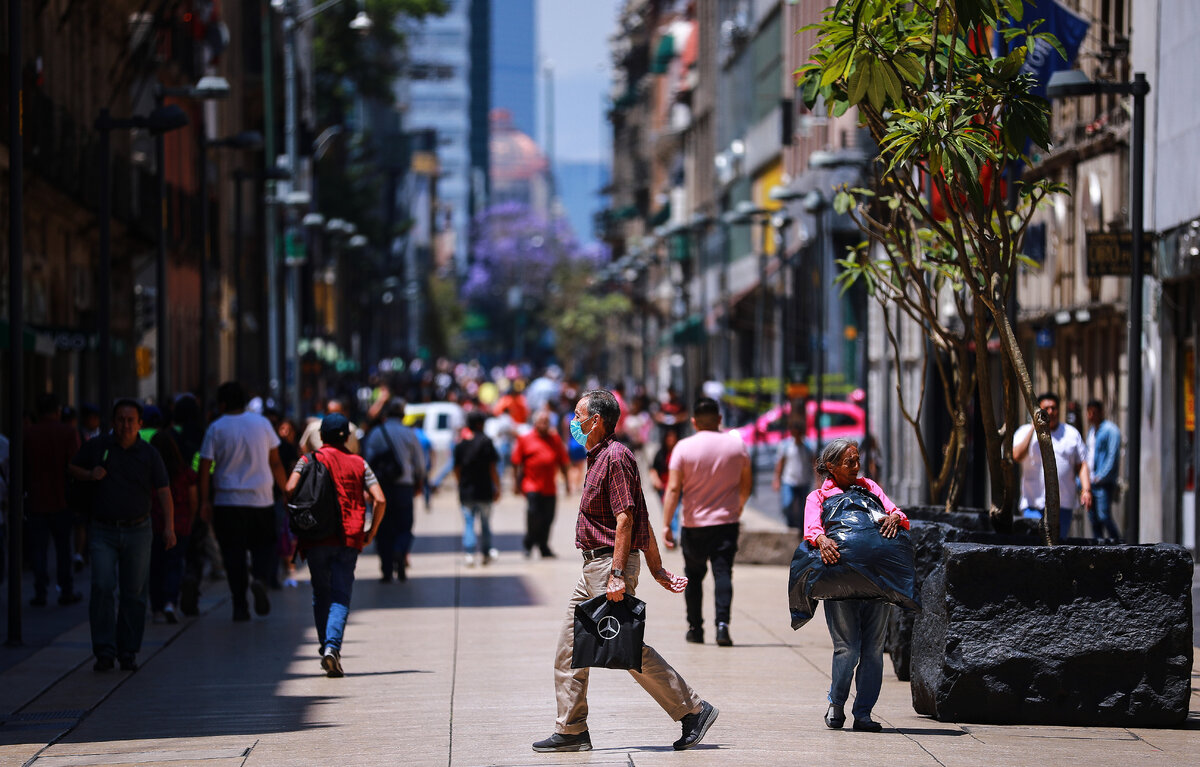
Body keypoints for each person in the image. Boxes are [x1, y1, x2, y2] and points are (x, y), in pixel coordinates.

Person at [532, 389, 718, 753]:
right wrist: (658, 569)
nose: (574, 423)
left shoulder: (615, 457)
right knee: (570, 649)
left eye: (578, 416)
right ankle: (571, 729)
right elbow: (642, 516)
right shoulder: (600, 456)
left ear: (596, 421)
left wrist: (619, 572)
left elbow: (627, 519)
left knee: (623, 648)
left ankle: (693, 710)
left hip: (607, 567)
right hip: (595, 566)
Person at [804, 438, 909, 733]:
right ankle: (836, 704)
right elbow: (812, 529)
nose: (856, 466)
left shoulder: (871, 488)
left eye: (857, 460)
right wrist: (822, 540)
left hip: (876, 581)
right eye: (849, 462)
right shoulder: (818, 497)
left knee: (874, 650)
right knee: (847, 649)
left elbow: (896, 511)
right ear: (831, 467)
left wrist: (895, 518)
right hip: (841, 582)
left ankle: (863, 713)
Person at [69, 399, 174, 671]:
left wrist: (169, 527)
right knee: (102, 586)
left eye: (130, 420)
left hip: (139, 530)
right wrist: (91, 473)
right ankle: (104, 650)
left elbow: (163, 490)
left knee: (134, 592)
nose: (125, 425)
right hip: (103, 529)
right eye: (120, 420)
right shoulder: (98, 446)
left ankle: (128, 650)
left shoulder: (149, 454)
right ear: (113, 422)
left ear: (140, 423)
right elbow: (73, 467)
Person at [287, 413, 387, 677]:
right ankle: (333, 646)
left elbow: (289, 488)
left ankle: (326, 647)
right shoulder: (359, 463)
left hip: (316, 536)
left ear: (321, 436)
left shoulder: (307, 459)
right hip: (350, 537)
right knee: (340, 595)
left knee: (321, 593)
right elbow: (380, 499)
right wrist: (371, 531)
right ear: (348, 437)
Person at [659, 397, 751, 647]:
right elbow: (746, 484)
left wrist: (667, 523)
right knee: (723, 574)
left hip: (694, 525)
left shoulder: (683, 448)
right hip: (726, 522)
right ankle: (723, 626)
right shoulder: (737, 447)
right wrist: (738, 505)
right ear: (719, 419)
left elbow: (674, 488)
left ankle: (695, 628)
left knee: (694, 576)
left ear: (693, 422)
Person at [198, 381, 289, 621]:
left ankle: (240, 605)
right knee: (263, 546)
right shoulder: (263, 424)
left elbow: (205, 467)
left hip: (227, 501)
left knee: (233, 554)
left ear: (222, 404)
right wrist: (287, 491)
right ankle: (259, 578)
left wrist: (205, 502)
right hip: (261, 499)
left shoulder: (215, 428)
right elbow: (276, 462)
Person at [24, 393, 83, 606]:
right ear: (57, 410)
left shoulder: (29, 434)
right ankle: (65, 589)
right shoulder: (67, 432)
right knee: (63, 548)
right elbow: (74, 466)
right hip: (61, 499)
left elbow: (22, 467)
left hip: (37, 499)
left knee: (38, 549)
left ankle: (41, 591)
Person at [1013, 392, 1092, 540]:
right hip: (1033, 505)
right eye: (1046, 408)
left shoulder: (1071, 434)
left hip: (1063, 505)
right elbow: (1016, 455)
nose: (1050, 412)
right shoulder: (1024, 432)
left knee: (1057, 545)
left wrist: (1086, 490)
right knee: (1033, 545)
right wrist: (1033, 428)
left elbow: (1081, 464)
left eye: (1054, 408)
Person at [363, 400, 426, 581]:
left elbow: (368, 461)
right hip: (404, 486)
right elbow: (419, 462)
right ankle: (400, 551)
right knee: (404, 525)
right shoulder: (409, 433)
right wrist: (419, 480)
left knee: (383, 528)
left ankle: (386, 569)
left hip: (381, 487)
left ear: (385, 415)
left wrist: (367, 488)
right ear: (402, 416)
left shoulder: (376, 433)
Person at [149, 430, 196, 623]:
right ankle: (170, 602)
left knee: (156, 567)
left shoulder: (149, 472)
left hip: (154, 525)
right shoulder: (185, 472)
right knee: (175, 564)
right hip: (180, 525)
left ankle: (157, 608)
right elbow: (194, 501)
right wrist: (190, 522)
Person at [512, 408, 570, 559]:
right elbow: (516, 462)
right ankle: (529, 544)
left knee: (548, 518)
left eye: (547, 422)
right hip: (531, 485)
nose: (545, 425)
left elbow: (563, 462)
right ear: (535, 423)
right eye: (542, 422)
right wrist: (515, 483)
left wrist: (567, 483)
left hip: (549, 487)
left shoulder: (555, 439)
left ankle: (544, 546)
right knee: (533, 516)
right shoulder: (525, 439)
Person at [454, 411, 501, 566]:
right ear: (481, 424)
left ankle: (469, 554)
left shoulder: (461, 444)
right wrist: (498, 486)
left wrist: (460, 482)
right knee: (485, 523)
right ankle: (486, 552)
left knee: (468, 523)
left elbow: (456, 469)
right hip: (485, 490)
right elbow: (492, 468)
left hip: (466, 490)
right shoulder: (486, 442)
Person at [1085, 399, 1123, 540]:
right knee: (1093, 519)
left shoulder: (1110, 430)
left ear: (1101, 412)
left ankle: (1119, 544)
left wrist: (1100, 476)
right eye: (1089, 413)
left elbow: (1112, 456)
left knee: (1104, 516)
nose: (1091, 416)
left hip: (1103, 482)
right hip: (1091, 482)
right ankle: (1098, 546)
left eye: (1094, 412)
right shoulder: (1091, 432)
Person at [774, 418, 815, 529]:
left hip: (804, 480)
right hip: (789, 480)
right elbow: (780, 464)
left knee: (803, 507)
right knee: (787, 503)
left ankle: (801, 528)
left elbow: (814, 463)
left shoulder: (808, 446)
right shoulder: (786, 445)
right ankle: (790, 524)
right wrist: (777, 479)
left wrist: (818, 480)